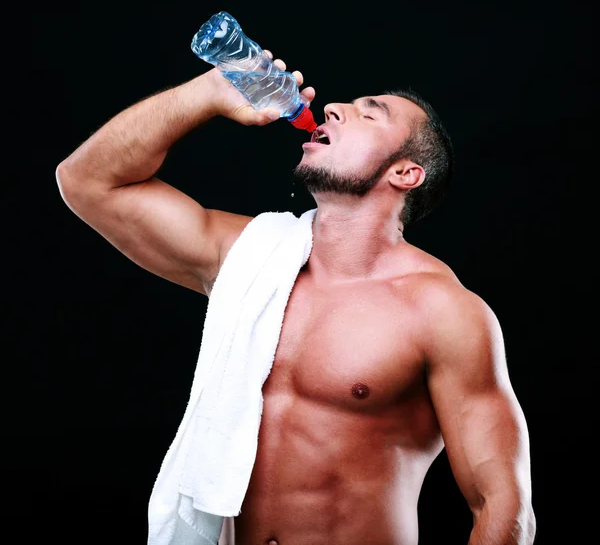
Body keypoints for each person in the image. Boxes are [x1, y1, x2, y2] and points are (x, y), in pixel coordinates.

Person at [56, 50, 536, 545]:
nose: (332, 109)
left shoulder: (442, 311)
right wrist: (208, 92)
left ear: (405, 173)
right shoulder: (249, 259)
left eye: (369, 113)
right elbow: (87, 180)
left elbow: (501, 503)